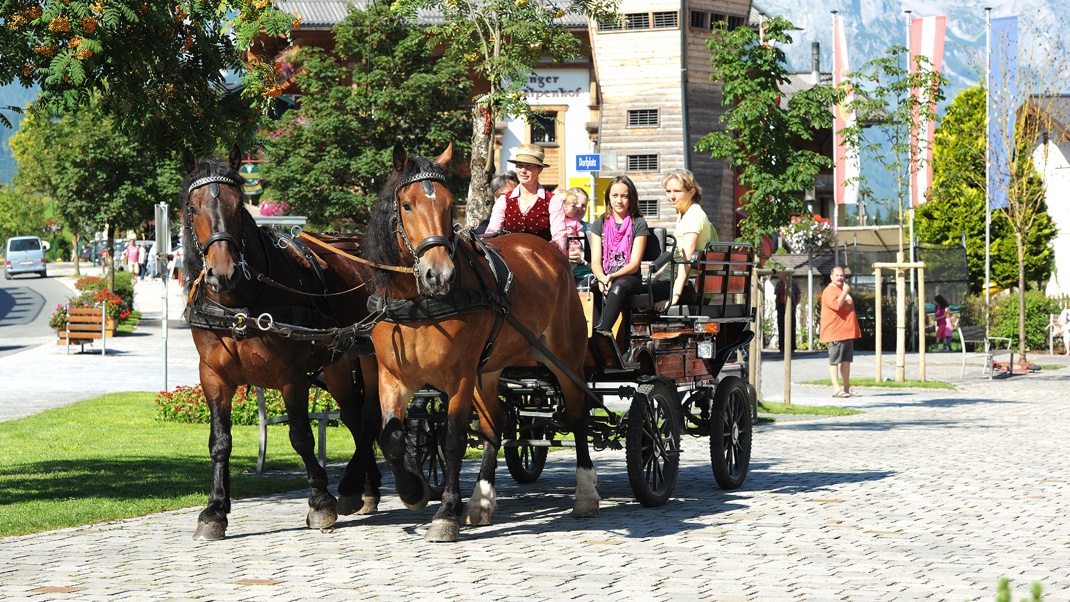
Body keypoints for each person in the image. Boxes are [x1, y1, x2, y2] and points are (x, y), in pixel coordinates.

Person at [590, 176, 648, 335]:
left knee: (617, 288)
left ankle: (603, 333)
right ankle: (591, 333)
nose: (619, 200)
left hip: (629, 277)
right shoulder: (599, 223)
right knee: (585, 287)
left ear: (631, 198)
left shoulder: (639, 223)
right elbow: (595, 261)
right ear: (608, 197)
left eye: (624, 196)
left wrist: (612, 276)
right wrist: (602, 278)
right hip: (605, 274)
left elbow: (634, 264)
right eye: (615, 195)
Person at [484, 144, 567, 253]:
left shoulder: (553, 201)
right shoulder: (503, 201)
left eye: (529, 166)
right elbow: (492, 234)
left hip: (543, 259)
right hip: (510, 260)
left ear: (540, 169)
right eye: (520, 165)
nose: (523, 170)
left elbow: (559, 239)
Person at [653, 169, 716, 310]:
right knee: (639, 289)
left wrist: (674, 296)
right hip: (674, 281)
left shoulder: (693, 216)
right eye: (668, 191)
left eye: (677, 191)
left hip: (688, 287)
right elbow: (675, 253)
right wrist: (657, 276)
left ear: (691, 192)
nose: (672, 196)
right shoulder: (684, 215)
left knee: (632, 293)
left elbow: (686, 259)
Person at [820, 266, 862, 398]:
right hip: (835, 332)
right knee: (834, 361)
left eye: (842, 275)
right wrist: (845, 292)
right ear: (831, 277)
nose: (840, 278)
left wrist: (844, 291)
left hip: (847, 333)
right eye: (837, 275)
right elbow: (837, 306)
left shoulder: (841, 290)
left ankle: (847, 387)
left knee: (846, 361)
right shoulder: (829, 291)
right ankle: (836, 389)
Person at [562, 187, 593, 285]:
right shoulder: (556, 226)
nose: (579, 208)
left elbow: (603, 263)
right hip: (562, 276)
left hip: (585, 277)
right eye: (575, 204)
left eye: (583, 205)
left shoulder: (591, 229)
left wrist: (582, 258)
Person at [775, 272, 802, 353]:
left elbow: (798, 295)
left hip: (790, 307)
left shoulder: (793, 283)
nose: (778, 275)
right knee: (781, 326)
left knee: (791, 326)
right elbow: (776, 295)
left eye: (780, 274)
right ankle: (782, 347)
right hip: (781, 306)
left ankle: (792, 347)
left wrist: (794, 305)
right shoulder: (779, 283)